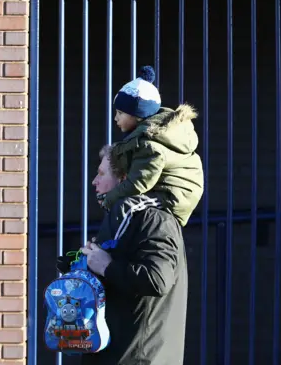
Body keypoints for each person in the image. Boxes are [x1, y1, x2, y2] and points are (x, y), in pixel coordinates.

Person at [58, 144, 188, 365]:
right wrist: (82, 266)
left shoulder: (154, 219)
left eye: (101, 174)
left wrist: (106, 266)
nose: (94, 182)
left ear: (125, 178)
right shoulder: (125, 218)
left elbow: (158, 279)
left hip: (138, 358)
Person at [100, 65, 204, 228]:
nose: (115, 118)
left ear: (138, 115)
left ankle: (105, 247)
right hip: (172, 190)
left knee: (125, 207)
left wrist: (110, 198)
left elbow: (138, 183)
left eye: (120, 113)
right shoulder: (146, 137)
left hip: (173, 194)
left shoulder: (150, 145)